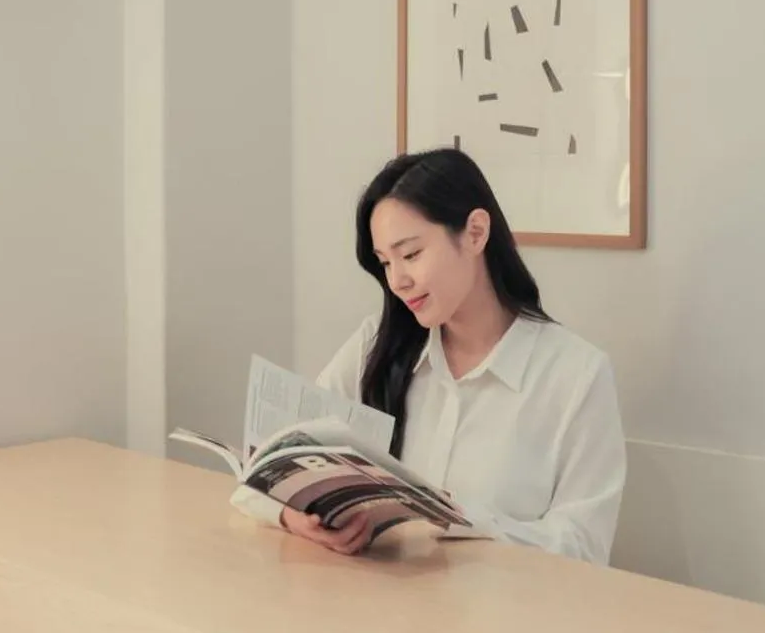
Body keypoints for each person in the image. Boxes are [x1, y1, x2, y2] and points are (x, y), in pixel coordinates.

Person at [236, 147, 627, 564]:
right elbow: (262, 473)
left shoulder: (575, 374)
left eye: (411, 255)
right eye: (386, 262)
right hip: (377, 612)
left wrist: (464, 521)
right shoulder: (377, 345)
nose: (398, 280)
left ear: (475, 233)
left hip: (507, 621)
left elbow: (585, 549)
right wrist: (293, 517)